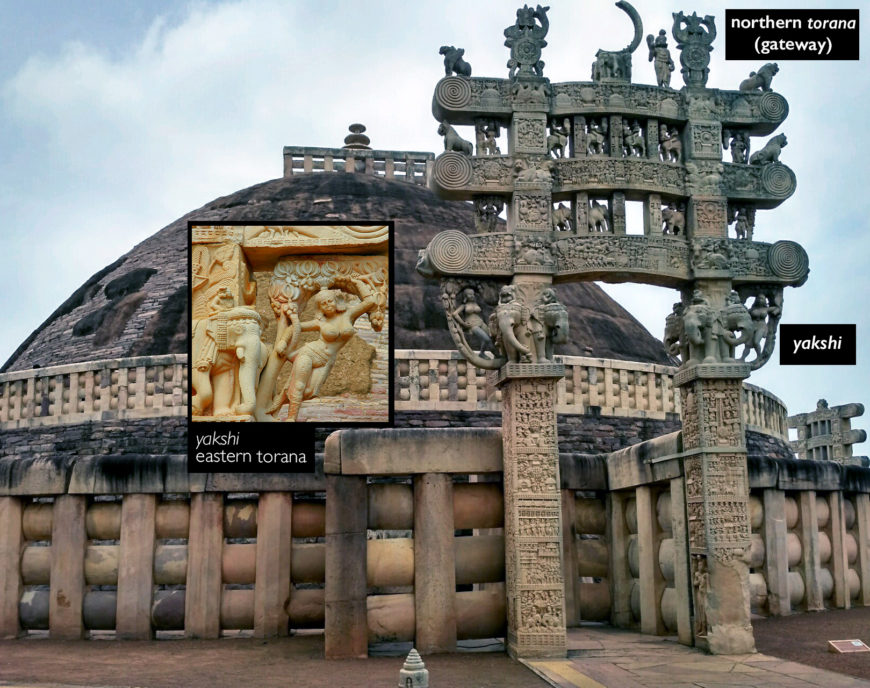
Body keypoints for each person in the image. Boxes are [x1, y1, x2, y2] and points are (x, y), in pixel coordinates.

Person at [269, 279, 377, 421]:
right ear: (320, 308)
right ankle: (291, 418)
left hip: (327, 360)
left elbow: (370, 302)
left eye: (329, 301)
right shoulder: (320, 322)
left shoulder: (349, 314)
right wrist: (282, 342)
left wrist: (357, 282)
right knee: (299, 385)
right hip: (310, 352)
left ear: (336, 301)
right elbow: (294, 327)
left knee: (310, 391)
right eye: (323, 304)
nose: (327, 305)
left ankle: (279, 401)